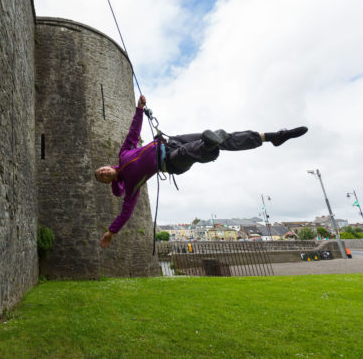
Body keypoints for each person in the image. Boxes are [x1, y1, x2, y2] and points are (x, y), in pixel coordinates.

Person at [96, 95, 308, 248]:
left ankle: (271, 137)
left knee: (224, 139)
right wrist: (110, 232)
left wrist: (139, 109)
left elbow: (134, 132)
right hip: (169, 162)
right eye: (102, 177)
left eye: (101, 170)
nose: (103, 173)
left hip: (169, 142)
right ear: (108, 182)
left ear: (106, 165)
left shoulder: (123, 153)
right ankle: (207, 146)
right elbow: (126, 213)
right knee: (192, 150)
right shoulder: (131, 186)